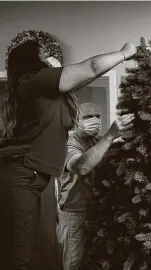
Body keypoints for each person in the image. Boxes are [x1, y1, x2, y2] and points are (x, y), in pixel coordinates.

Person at [0, 39, 137, 270]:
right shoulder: (34, 81)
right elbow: (91, 67)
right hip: (21, 175)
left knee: (24, 250)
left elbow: (86, 76)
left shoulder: (44, 91)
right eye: (44, 54)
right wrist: (124, 54)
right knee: (19, 255)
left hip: (32, 178)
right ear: (32, 61)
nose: (50, 57)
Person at [55, 103, 134, 270]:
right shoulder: (67, 144)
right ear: (75, 121)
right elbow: (81, 166)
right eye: (87, 117)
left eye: (98, 117)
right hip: (74, 214)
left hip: (98, 212)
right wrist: (111, 134)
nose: (95, 121)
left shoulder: (97, 142)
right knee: (74, 263)